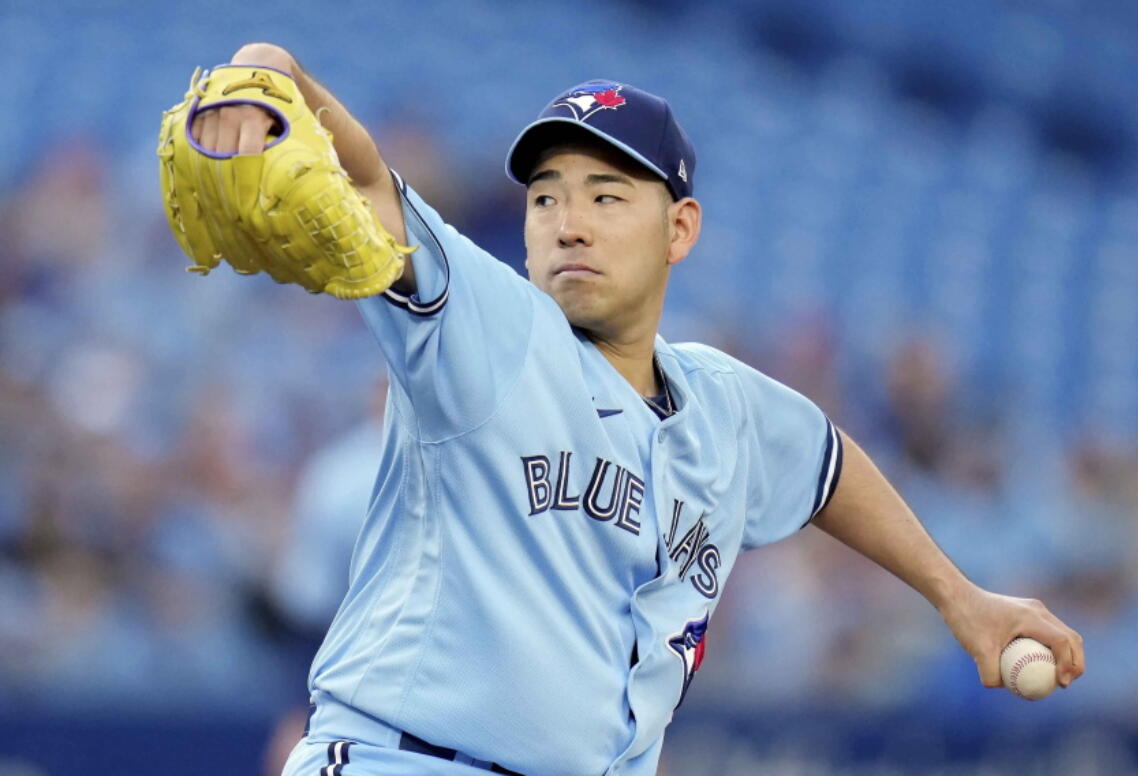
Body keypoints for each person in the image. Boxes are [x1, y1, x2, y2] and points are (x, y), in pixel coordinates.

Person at [187, 42, 1085, 776]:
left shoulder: (723, 406)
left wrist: (959, 598)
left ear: (680, 230)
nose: (568, 222)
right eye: (546, 198)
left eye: (607, 196)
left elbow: (825, 465)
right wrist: (273, 73)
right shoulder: (490, 330)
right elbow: (373, 184)